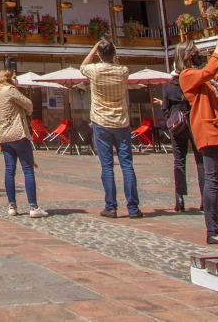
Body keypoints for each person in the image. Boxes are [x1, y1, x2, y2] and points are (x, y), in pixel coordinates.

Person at [178, 37, 218, 246]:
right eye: (196, 51)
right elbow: (209, 71)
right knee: (212, 181)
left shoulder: (203, 79)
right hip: (207, 130)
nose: (199, 54)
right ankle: (212, 230)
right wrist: (217, 52)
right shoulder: (187, 76)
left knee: (217, 181)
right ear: (188, 56)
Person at [80, 39, 142, 218]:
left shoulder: (94, 70)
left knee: (107, 166)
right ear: (114, 54)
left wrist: (93, 49)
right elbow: (120, 67)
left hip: (101, 121)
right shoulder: (123, 70)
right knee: (127, 165)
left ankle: (111, 206)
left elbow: (83, 66)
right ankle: (133, 208)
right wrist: (114, 57)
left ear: (99, 54)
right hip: (121, 121)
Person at [0, 68, 48, 218]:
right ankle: (33, 207)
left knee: (9, 170)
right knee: (28, 170)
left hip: (4, 136)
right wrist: (27, 111)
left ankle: (12, 205)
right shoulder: (10, 90)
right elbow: (28, 104)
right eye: (15, 78)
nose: (17, 80)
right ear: (9, 78)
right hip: (17, 134)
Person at [156, 61, 193, 213]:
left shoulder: (170, 87)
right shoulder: (192, 85)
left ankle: (180, 198)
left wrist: (167, 109)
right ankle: (206, 198)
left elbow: (165, 107)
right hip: (193, 121)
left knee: (179, 161)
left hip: (177, 124)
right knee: (201, 161)